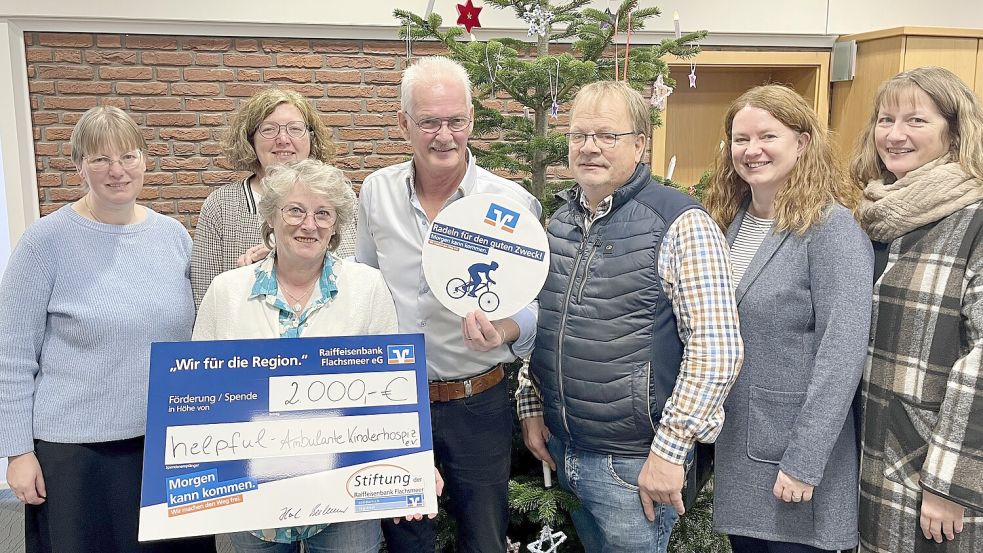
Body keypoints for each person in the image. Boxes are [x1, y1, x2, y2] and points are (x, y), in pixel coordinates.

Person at [518, 80, 744, 553]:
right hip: (566, 449)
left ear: (640, 144)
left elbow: (717, 349)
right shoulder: (558, 222)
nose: (589, 148)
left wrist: (670, 450)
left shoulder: (681, 223)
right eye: (579, 135)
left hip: (636, 465)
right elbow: (542, 320)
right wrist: (532, 404)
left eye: (607, 136)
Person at [0, 106, 215, 553]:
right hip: (78, 456)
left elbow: (202, 322)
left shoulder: (172, 236)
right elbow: (12, 355)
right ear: (79, 166)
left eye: (129, 156)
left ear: (144, 161)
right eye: (101, 160)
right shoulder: (45, 242)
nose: (117, 171)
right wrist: (17, 452)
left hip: (167, 446)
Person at [356, 56, 542, 553]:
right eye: (429, 122)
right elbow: (362, 287)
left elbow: (533, 309)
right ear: (403, 124)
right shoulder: (376, 194)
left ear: (471, 120)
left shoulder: (510, 204)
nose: (444, 135)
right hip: (395, 403)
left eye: (455, 121)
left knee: (483, 539)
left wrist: (504, 330)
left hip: (477, 401)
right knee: (404, 539)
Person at [194, 159, 397, 553]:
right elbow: (199, 396)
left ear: (337, 224)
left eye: (324, 213)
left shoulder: (368, 288)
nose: (310, 224)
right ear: (271, 217)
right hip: (249, 502)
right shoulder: (227, 292)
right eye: (295, 210)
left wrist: (411, 463)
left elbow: (392, 393)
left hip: (345, 499)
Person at [702, 85, 873, 553]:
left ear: (802, 141)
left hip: (795, 463)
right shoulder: (727, 220)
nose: (751, 150)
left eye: (767, 136)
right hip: (739, 452)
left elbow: (842, 354)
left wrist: (804, 461)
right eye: (740, 138)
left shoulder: (832, 228)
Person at [850, 66, 983, 552]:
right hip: (873, 452)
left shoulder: (974, 221)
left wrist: (951, 483)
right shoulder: (877, 216)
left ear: (954, 130)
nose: (895, 134)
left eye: (916, 121)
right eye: (886, 119)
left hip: (933, 470)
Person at [191, 86, 355, 308]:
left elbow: (356, 277)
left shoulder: (341, 199)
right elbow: (205, 301)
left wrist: (289, 257)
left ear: (311, 137)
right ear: (250, 139)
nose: (283, 139)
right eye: (269, 130)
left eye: (295, 129)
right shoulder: (221, 206)